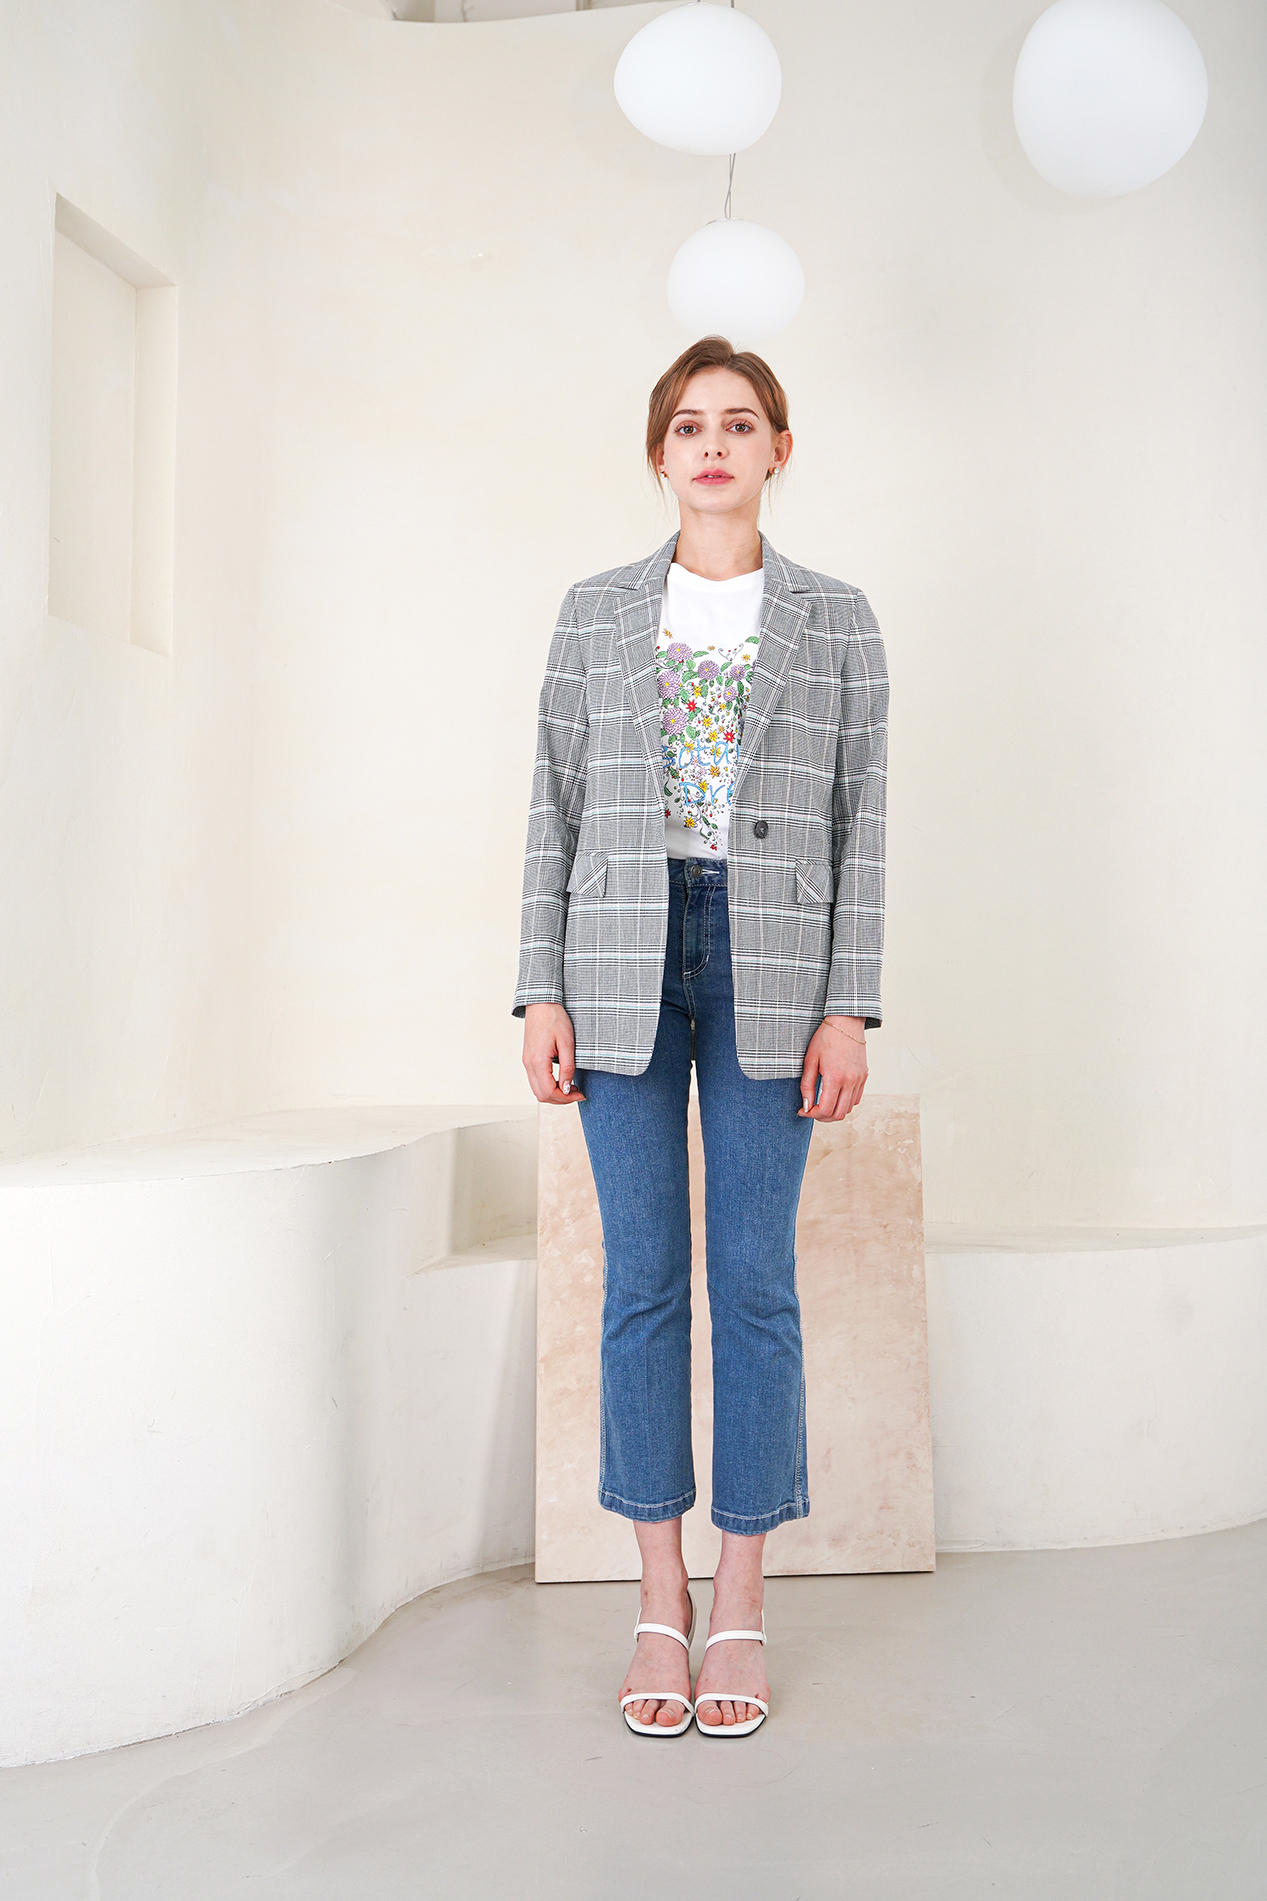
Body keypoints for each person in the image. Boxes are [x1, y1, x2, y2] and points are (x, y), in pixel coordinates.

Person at [512, 334, 888, 1738]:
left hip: (771, 963)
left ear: (779, 450)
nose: (713, 444)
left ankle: (741, 1594)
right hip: (615, 957)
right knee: (643, 1282)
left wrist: (848, 1002)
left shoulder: (837, 619)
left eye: (739, 423)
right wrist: (538, 987)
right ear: (660, 452)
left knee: (754, 1280)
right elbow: (552, 804)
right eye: (688, 424)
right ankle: (656, 1596)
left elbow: (864, 821)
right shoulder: (595, 611)